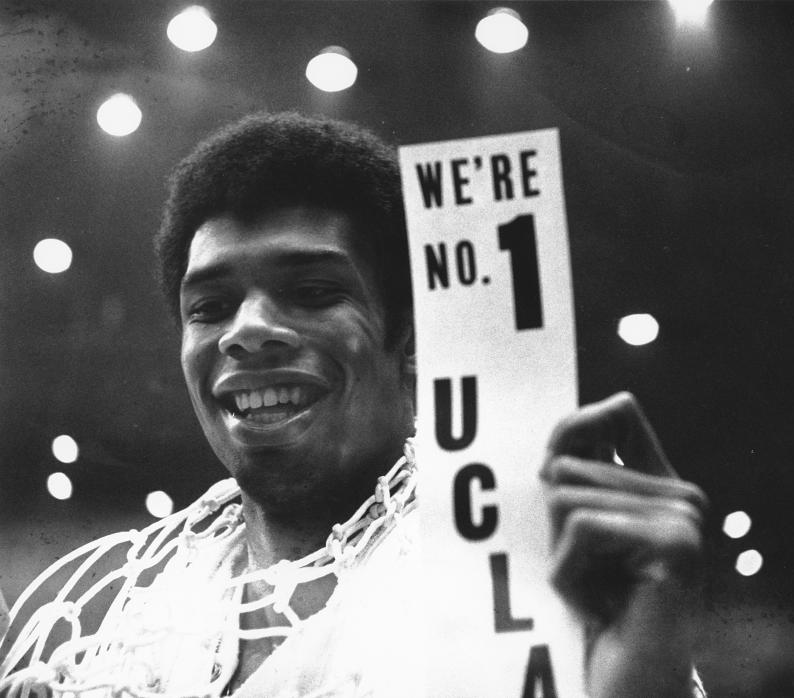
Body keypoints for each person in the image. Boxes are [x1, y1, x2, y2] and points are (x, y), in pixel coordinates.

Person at [0, 112, 707, 697]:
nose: (245, 332)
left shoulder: (543, 579)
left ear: (409, 333)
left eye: (313, 292)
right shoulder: (89, 610)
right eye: (210, 306)